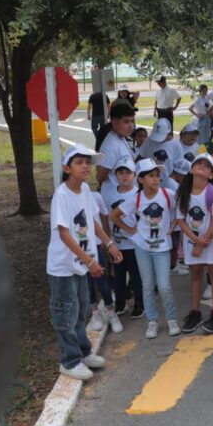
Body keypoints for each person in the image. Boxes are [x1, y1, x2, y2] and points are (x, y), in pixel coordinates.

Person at [48, 144, 123, 381]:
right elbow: (64, 233)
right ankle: (69, 361)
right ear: (67, 167)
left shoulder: (87, 192)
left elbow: (94, 224)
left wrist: (109, 245)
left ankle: (83, 352)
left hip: (81, 264)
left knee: (80, 310)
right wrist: (90, 261)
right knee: (65, 313)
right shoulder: (62, 195)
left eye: (88, 162)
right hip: (63, 266)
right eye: (80, 162)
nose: (85, 167)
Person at [110, 159, 180, 339]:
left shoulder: (168, 194)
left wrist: (171, 228)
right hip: (142, 247)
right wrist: (132, 231)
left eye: (157, 175)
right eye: (151, 176)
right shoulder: (136, 198)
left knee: (164, 286)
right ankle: (152, 321)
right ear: (140, 179)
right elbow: (114, 216)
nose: (156, 179)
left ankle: (172, 319)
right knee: (147, 286)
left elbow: (180, 212)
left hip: (162, 248)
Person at [176, 155, 213, 334]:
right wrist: (196, 241)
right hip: (192, 241)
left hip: (209, 240)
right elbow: (181, 220)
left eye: (207, 165)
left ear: (211, 174)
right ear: (191, 169)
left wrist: (203, 242)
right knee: (195, 274)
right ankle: (194, 312)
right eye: (199, 163)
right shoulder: (184, 192)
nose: (202, 166)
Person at [101, 156, 143, 319]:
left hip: (134, 244)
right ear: (115, 175)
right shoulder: (110, 193)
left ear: (134, 175)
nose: (124, 176)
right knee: (118, 275)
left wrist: (135, 230)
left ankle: (139, 304)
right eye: (120, 172)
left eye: (128, 172)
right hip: (117, 243)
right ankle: (120, 302)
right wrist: (107, 239)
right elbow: (106, 217)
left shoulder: (139, 194)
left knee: (135, 275)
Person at [88, 186, 124, 335]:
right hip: (78, 248)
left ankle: (111, 312)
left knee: (102, 281)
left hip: (95, 244)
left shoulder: (94, 196)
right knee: (87, 283)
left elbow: (102, 216)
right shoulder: (63, 196)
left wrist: (107, 239)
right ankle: (95, 312)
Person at [96, 101, 136, 187]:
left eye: (132, 121)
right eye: (126, 122)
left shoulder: (121, 136)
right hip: (117, 196)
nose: (131, 125)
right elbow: (100, 177)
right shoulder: (110, 146)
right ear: (114, 122)